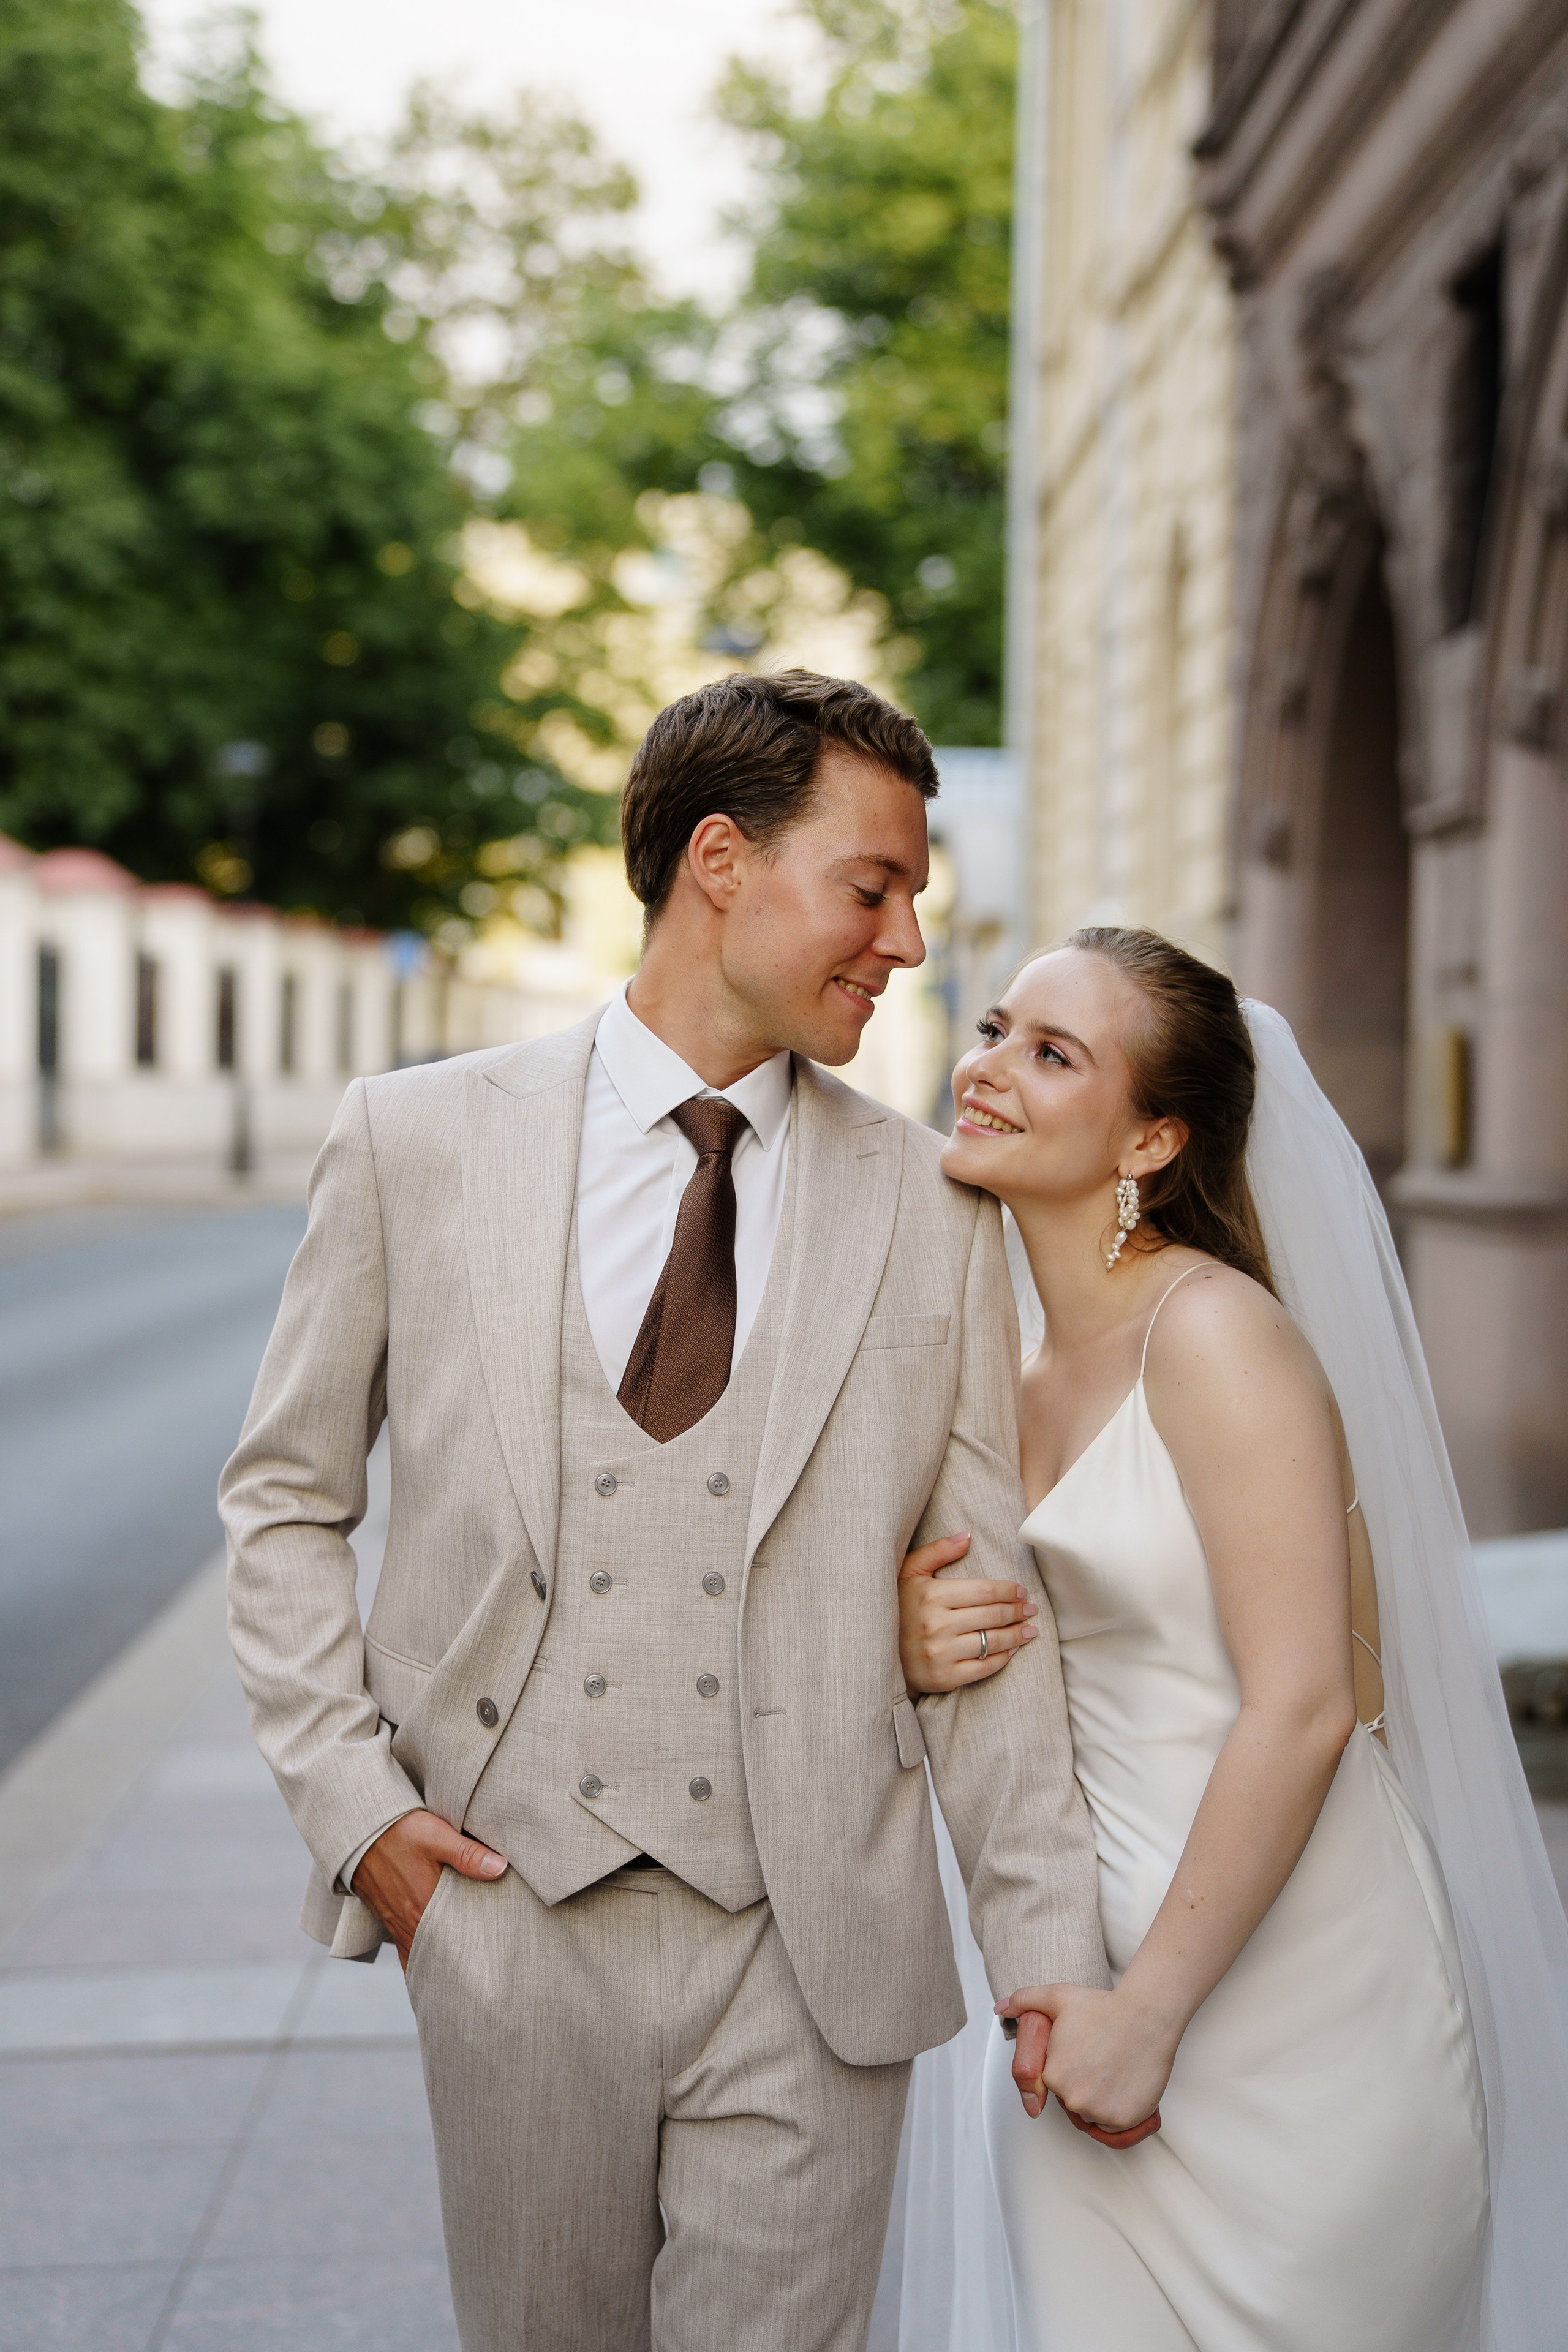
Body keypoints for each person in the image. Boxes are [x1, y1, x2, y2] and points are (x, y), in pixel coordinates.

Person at [221, 670, 1108, 2352]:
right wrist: (356, 1811)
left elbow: (979, 1604)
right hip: (509, 1920)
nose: (908, 941)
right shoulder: (416, 1140)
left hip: (813, 1946)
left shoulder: (932, 1208)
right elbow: (283, 1497)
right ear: (720, 861)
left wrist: (1047, 1950)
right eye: (873, 886)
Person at [891, 927, 1568, 2351]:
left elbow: (1306, 1704)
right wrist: (913, 1640)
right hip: (1073, 1986)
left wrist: (1148, 2016)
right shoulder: (997, 1369)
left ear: (1150, 1140)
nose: (985, 1069)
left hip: (1291, 2009)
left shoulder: (1211, 1334)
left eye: (1049, 1053)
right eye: (996, 1029)